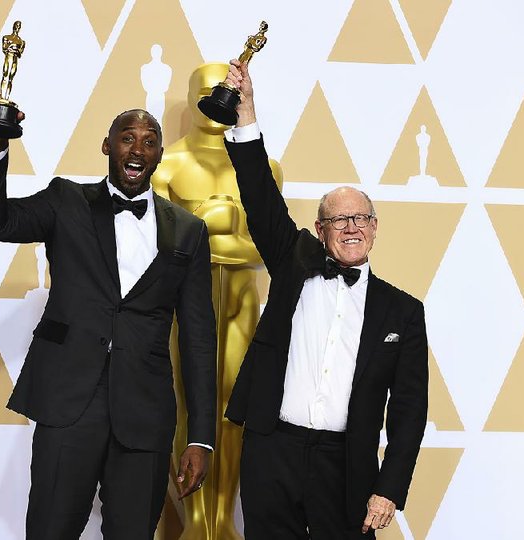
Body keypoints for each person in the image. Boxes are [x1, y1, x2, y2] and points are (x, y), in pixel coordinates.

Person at [0, 99, 217, 539]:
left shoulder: (188, 230)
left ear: (159, 155)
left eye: (149, 142)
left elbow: (198, 339)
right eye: (127, 139)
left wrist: (201, 436)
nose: (137, 149)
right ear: (107, 146)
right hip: (69, 402)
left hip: (144, 414)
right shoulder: (67, 200)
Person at [222, 60, 428, 539]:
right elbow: (259, 192)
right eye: (340, 220)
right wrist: (246, 111)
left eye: (361, 218)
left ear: (374, 228)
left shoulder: (404, 312)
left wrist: (390, 487)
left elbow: (409, 411)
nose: (352, 227)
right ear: (320, 230)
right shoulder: (294, 261)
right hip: (273, 450)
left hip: (347, 463)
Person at [151, 63, 283, 540]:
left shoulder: (264, 168)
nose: (216, 100)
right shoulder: (165, 166)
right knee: (189, 406)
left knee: (235, 409)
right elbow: (160, 253)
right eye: (206, 91)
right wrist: (220, 230)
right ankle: (195, 523)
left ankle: (223, 520)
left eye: (225, 90)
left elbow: (267, 248)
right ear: (189, 98)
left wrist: (202, 230)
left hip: (242, 305)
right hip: (184, 309)